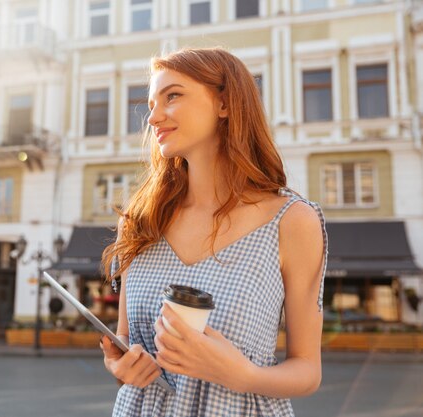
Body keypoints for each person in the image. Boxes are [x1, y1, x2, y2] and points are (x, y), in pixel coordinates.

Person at [99, 47, 327, 416]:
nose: (153, 117)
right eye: (151, 103)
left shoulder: (291, 221)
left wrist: (243, 374)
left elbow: (307, 369)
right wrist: (120, 365)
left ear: (225, 103)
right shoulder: (140, 220)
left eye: (172, 96)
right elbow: (125, 339)